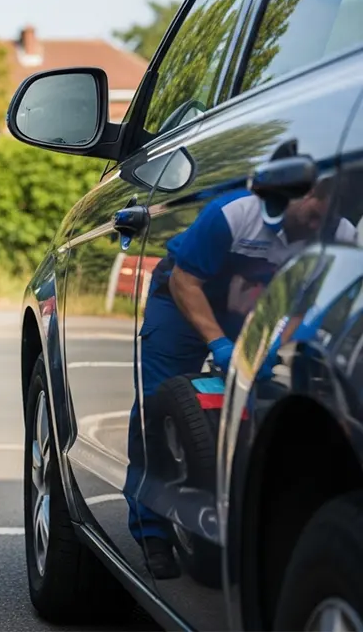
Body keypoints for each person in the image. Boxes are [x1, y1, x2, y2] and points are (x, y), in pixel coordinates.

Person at [125, 176, 358, 579]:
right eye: (313, 216)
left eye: (328, 219)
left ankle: (242, 519)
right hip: (181, 301)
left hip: (252, 308)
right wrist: (219, 345)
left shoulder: (340, 234)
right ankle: (152, 531)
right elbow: (185, 282)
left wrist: (266, 349)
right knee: (158, 403)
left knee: (260, 404)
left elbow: (306, 305)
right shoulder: (234, 214)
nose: (314, 229)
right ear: (297, 195)